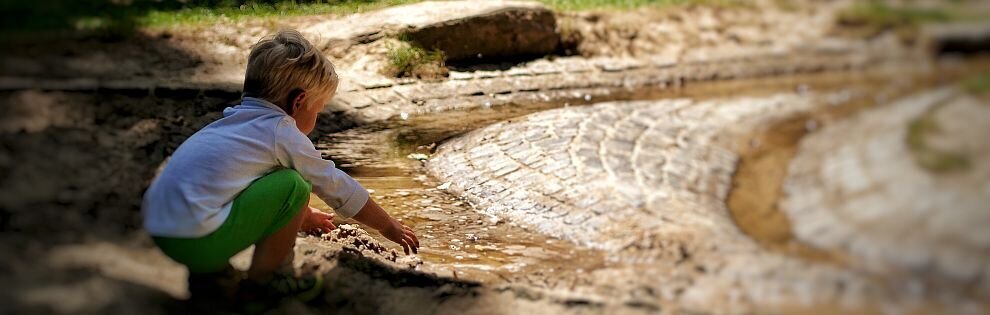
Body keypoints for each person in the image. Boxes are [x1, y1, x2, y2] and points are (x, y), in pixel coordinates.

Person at [142, 29, 418, 304]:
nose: (317, 117)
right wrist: (387, 225)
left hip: (163, 232)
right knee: (294, 183)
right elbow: (334, 184)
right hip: (196, 242)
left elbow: (238, 186)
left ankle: (210, 280)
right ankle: (267, 283)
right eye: (318, 110)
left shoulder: (231, 126)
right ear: (299, 102)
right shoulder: (280, 131)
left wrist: (304, 214)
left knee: (248, 185)